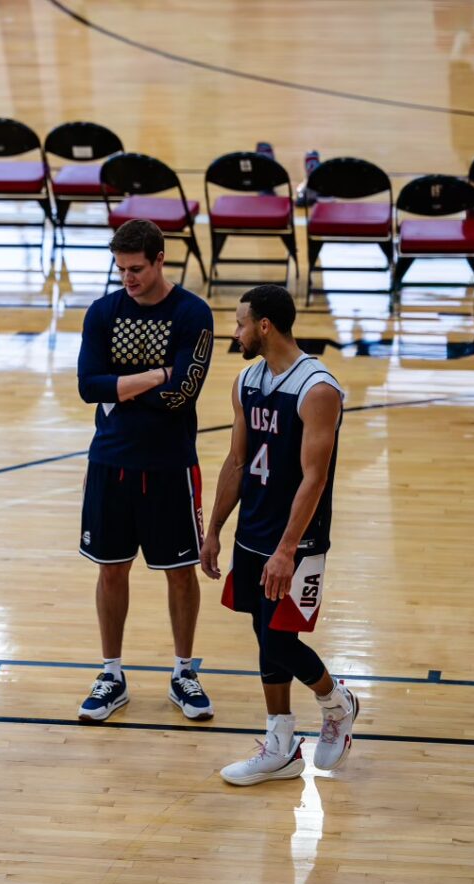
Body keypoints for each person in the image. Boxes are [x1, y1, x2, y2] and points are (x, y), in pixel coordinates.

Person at [200, 284, 358, 785]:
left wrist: (288, 549)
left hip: (298, 542)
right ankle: (282, 745)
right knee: (263, 637)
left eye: (241, 323)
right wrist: (214, 529)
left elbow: (316, 477)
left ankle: (337, 704)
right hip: (252, 533)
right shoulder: (247, 379)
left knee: (281, 641)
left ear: (265, 325)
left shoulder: (318, 389)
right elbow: (238, 461)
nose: (235, 331)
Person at [76, 219, 215, 722]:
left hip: (169, 464)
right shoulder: (103, 311)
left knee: (180, 573)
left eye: (137, 269)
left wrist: (124, 387)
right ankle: (112, 674)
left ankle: (183, 672)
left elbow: (184, 392)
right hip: (109, 461)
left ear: (160, 260)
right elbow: (88, 386)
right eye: (121, 270)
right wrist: (156, 374)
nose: (128, 279)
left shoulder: (193, 313)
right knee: (111, 570)